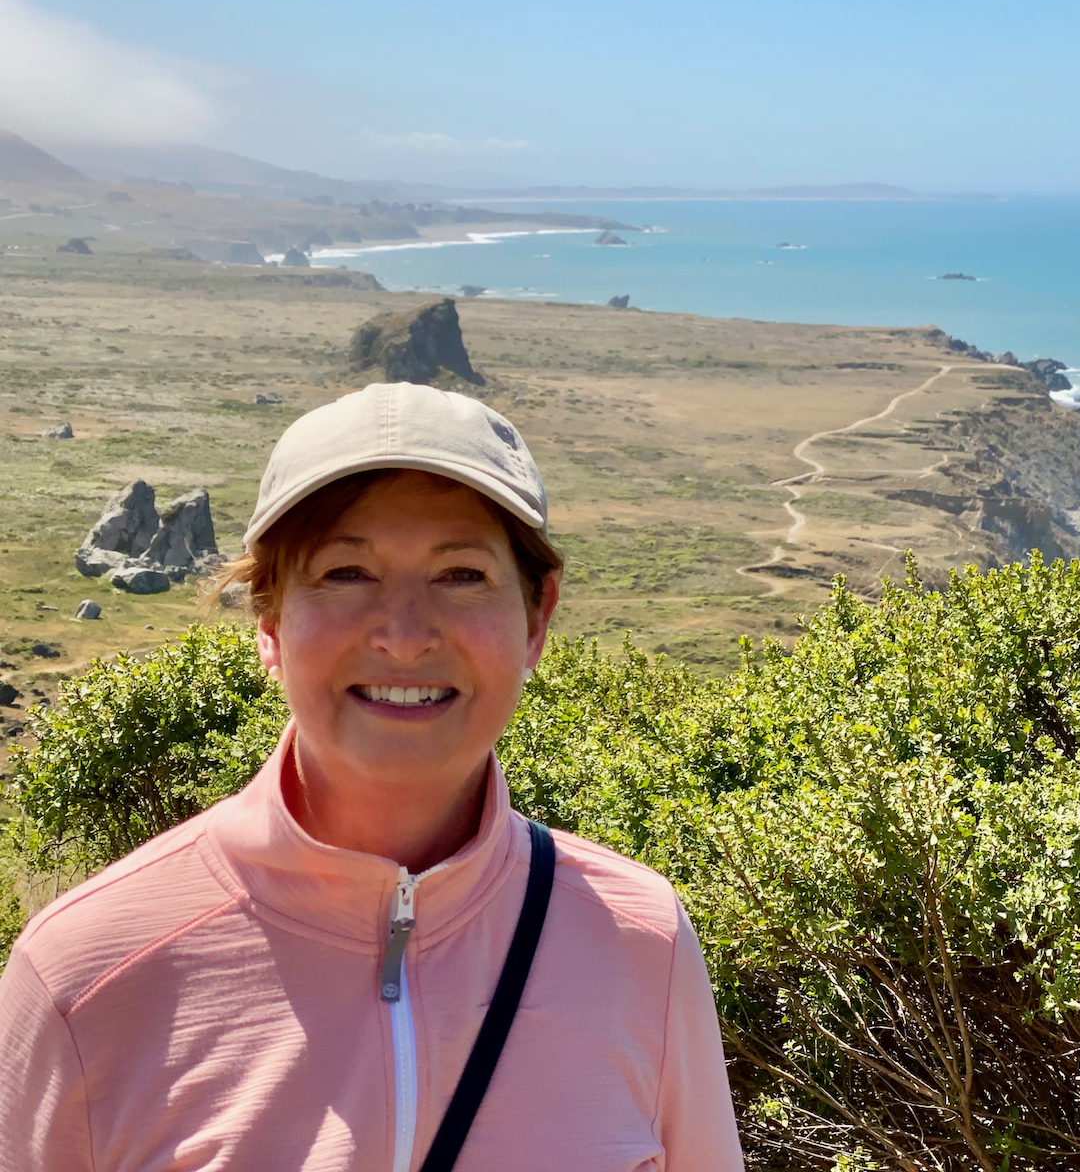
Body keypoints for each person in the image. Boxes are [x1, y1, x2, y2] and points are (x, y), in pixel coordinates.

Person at [0, 382, 743, 1171]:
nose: (403, 634)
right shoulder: (85, 977)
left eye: (460, 575)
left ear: (537, 617)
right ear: (270, 620)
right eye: (346, 572)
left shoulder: (642, 942)